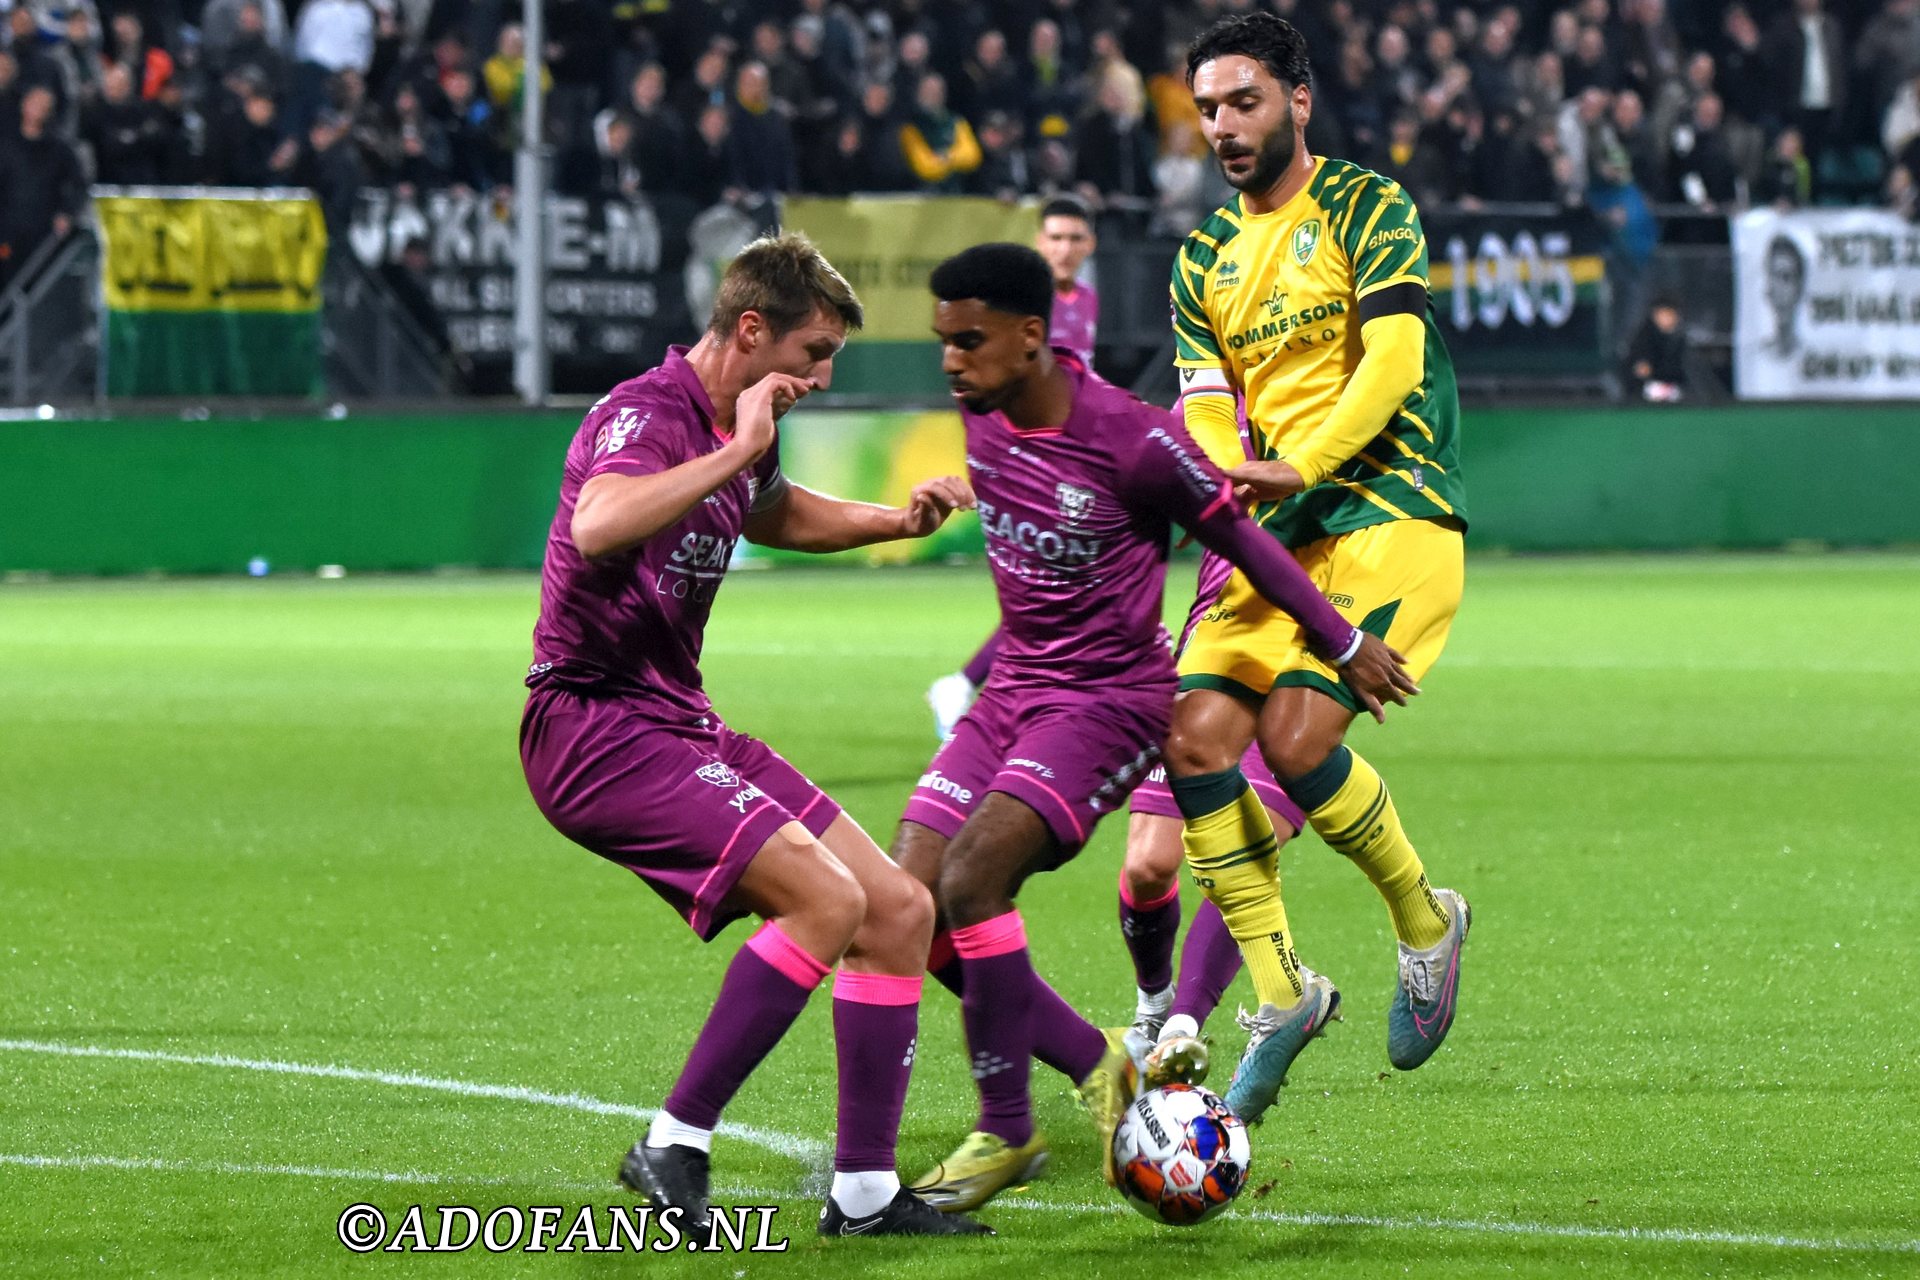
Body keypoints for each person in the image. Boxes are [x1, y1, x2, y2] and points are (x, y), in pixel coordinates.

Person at [895, 243, 1415, 1213]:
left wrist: (1343, 641)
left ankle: (1007, 1125)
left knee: (975, 876)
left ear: (1030, 337)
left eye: (967, 341)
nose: (951, 362)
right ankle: (1103, 1060)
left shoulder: (1136, 440)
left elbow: (1244, 539)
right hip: (1015, 688)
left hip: (1106, 697)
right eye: (943, 343)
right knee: (907, 900)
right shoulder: (985, 420)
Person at [519, 233, 987, 1240]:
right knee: (827, 898)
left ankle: (863, 1192)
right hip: (591, 722)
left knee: (897, 906)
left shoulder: (748, 428)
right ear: (748, 329)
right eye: (813, 354)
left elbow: (771, 512)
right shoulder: (646, 414)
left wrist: (894, 523)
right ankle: (675, 1141)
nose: (821, 378)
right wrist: (731, 448)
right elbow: (600, 525)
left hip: (678, 720)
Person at [1154, 12, 1473, 1125]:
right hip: (1275, 524)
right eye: (1207, 108)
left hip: (1389, 504)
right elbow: (1200, 403)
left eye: (1243, 101)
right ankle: (1284, 994)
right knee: (1192, 733)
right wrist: (1221, 475)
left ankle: (1425, 922)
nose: (1223, 126)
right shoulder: (1201, 258)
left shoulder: (1368, 207)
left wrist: (1300, 463)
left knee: (1293, 742)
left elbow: (1394, 361)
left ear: (1298, 99)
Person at [923, 196, 1101, 739]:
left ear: (1088, 245)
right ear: (1039, 241)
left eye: (1075, 238)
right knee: (1061, 582)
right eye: (1055, 238)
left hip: (1072, 457)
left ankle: (981, 690)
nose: (1065, 248)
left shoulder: (1087, 301)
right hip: (1028, 460)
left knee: (1065, 583)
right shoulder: (1014, 305)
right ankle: (977, 689)